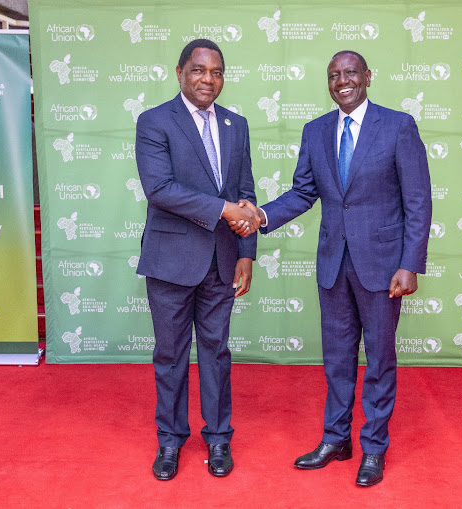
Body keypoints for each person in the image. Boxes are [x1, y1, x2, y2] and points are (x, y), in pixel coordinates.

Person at [232, 50, 432, 486]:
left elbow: (418, 200)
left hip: (382, 267)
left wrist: (410, 263)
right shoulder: (316, 131)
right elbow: (303, 192)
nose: (342, 81)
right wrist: (261, 215)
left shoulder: (398, 126)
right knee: (337, 359)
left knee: (379, 359)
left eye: (350, 73)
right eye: (334, 76)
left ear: (367, 77)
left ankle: (374, 448)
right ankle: (336, 439)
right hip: (333, 266)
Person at [135, 39, 261, 481]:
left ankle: (220, 438)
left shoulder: (236, 124)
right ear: (180, 72)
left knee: (216, 352)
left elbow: (245, 190)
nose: (209, 79)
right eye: (199, 71)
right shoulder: (154, 121)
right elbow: (160, 189)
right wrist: (225, 211)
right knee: (170, 355)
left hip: (222, 261)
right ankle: (169, 441)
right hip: (171, 260)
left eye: (217, 72)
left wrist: (246, 253)